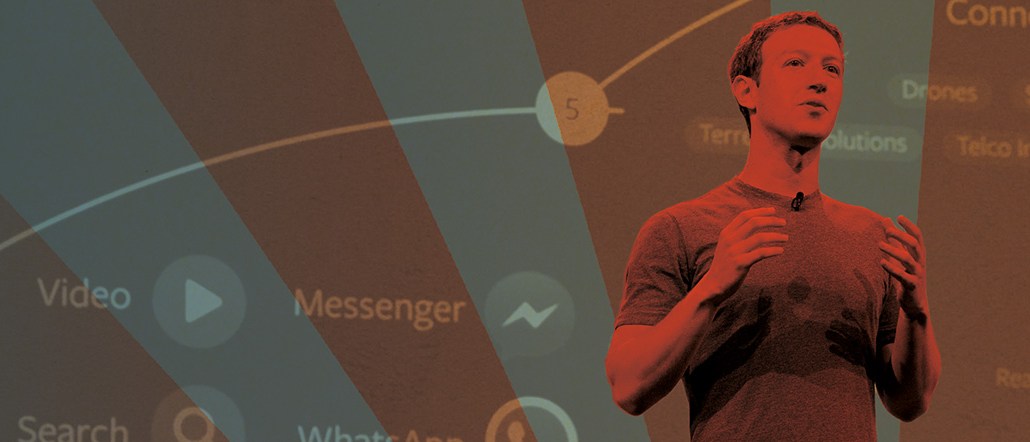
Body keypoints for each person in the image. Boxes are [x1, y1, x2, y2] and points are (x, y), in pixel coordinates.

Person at [604, 11, 941, 440]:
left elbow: (910, 402)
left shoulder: (873, 236)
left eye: (832, 69)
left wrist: (917, 312)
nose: (819, 81)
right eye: (796, 63)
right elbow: (629, 388)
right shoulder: (679, 229)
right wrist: (711, 289)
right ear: (747, 90)